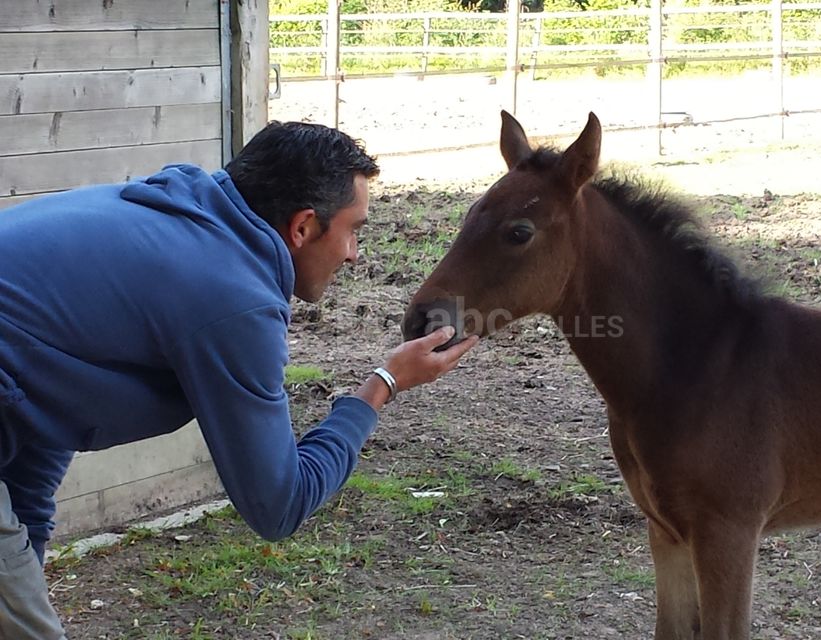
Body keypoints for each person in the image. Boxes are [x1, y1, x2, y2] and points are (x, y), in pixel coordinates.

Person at [0, 121, 478, 638]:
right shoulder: (231, 297)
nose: (354, 254)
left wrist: (25, 562)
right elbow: (280, 503)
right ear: (302, 227)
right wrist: (381, 384)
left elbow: (34, 409)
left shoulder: (175, 215)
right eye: (353, 229)